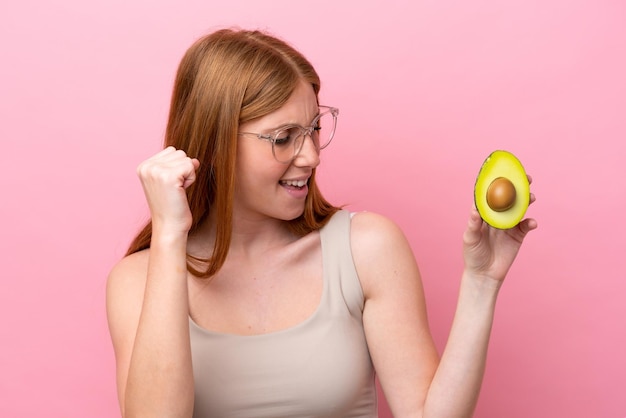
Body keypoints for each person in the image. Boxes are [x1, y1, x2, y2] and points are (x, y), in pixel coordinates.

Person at [106, 28, 537, 418]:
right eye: (283, 138)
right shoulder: (138, 281)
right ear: (216, 144)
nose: (311, 156)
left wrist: (482, 282)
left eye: (313, 129)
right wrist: (168, 236)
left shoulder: (365, 249)